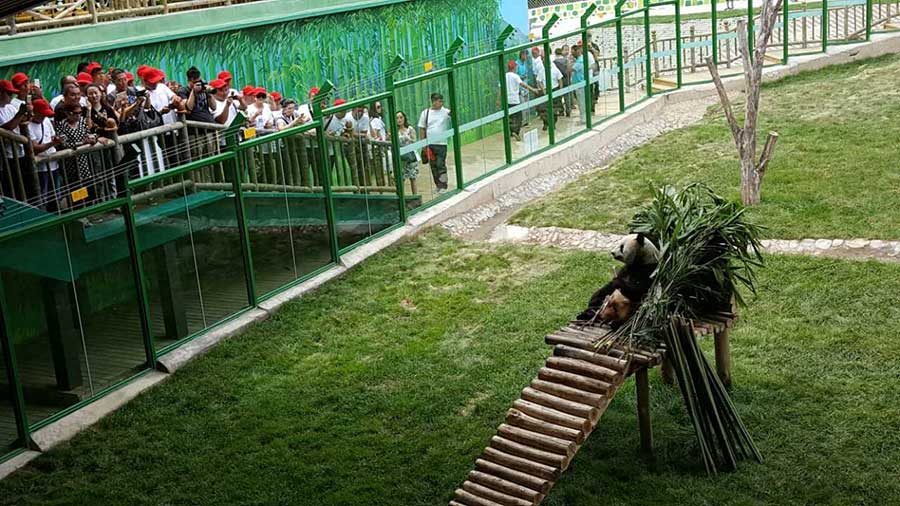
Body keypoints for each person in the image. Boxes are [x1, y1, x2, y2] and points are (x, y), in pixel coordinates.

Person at [0, 79, 35, 201]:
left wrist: (27, 114)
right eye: (9, 93)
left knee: (25, 186)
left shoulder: (10, 107)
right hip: (6, 156)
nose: (11, 96)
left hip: (20, 152)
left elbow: (21, 122)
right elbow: (7, 128)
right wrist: (20, 114)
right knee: (11, 188)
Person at [26, 98, 64, 208]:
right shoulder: (28, 126)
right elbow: (35, 148)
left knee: (56, 194)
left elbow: (52, 135)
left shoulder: (46, 121)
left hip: (53, 163)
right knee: (43, 195)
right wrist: (52, 143)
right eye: (42, 114)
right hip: (40, 167)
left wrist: (56, 140)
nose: (44, 116)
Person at [417, 92, 452, 193]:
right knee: (433, 166)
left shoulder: (445, 112)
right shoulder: (425, 113)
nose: (441, 103)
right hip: (430, 144)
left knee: (441, 164)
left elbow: (453, 115)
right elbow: (422, 129)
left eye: (441, 101)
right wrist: (423, 144)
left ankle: (444, 185)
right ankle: (438, 185)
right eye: (439, 101)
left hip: (441, 144)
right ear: (433, 101)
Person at [497, 61, 538, 141]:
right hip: (515, 100)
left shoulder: (503, 76)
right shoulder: (515, 76)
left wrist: (498, 100)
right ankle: (516, 132)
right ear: (514, 68)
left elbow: (500, 89)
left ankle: (511, 132)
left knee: (510, 117)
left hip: (507, 101)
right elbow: (523, 84)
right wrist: (533, 89)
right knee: (519, 117)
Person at [395, 110, 419, 195]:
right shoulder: (394, 131)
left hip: (411, 157)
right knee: (401, 178)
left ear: (404, 118)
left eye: (401, 117)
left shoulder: (410, 129)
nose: (399, 120)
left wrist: (407, 138)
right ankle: (401, 198)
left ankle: (415, 197)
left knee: (413, 177)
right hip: (401, 158)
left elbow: (415, 140)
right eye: (397, 118)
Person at [553, 47, 572, 117]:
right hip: (567, 80)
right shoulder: (566, 61)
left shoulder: (554, 62)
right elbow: (569, 70)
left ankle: (561, 111)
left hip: (559, 81)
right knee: (567, 96)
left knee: (559, 97)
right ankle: (568, 110)